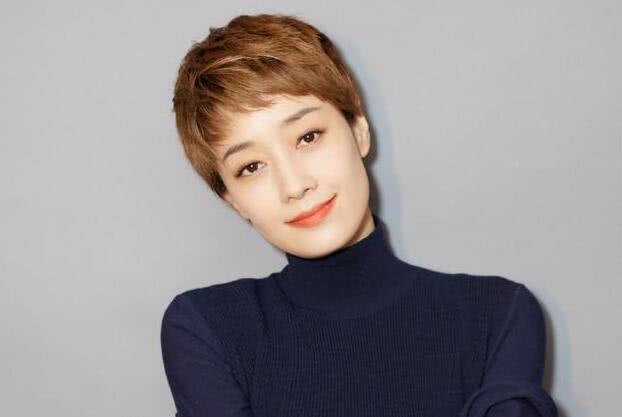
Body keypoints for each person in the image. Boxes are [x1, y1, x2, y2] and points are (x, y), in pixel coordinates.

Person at [160, 13, 559, 417]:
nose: (294, 185)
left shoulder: (497, 315)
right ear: (232, 200)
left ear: (358, 129)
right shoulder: (206, 329)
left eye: (308, 137)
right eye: (251, 167)